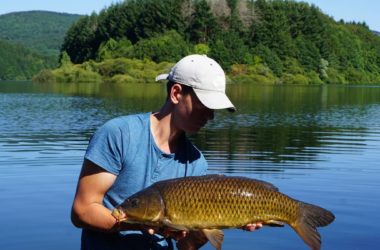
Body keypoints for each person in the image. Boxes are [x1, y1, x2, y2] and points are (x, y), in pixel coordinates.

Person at [71, 54, 262, 250]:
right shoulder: (118, 134)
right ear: (176, 93)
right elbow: (82, 211)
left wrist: (213, 225)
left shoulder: (196, 162)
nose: (210, 116)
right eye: (205, 105)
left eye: (214, 109)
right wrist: (142, 222)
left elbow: (185, 246)